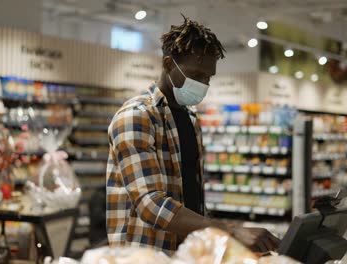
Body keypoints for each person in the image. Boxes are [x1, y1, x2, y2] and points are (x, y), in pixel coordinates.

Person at [106, 15, 280, 255]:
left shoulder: (190, 118)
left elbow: (190, 195)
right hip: (145, 253)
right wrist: (229, 229)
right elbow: (150, 203)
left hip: (186, 252)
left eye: (208, 77)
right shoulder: (136, 116)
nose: (204, 84)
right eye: (197, 75)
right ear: (168, 65)